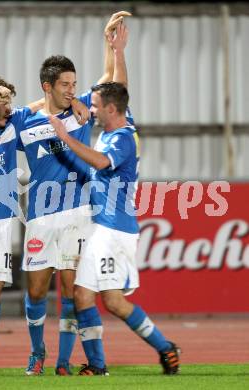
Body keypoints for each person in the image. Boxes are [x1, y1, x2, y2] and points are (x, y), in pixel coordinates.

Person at [48, 22, 181, 376]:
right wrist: (116, 50)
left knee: (97, 299)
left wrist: (64, 138)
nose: (89, 109)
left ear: (109, 109)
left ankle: (110, 361)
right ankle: (160, 350)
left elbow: (100, 162)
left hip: (114, 228)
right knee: (104, 300)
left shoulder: (121, 139)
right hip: (105, 227)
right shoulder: (118, 119)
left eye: (94, 105)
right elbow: (118, 85)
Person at [0, 75, 88, 378]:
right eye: (4, 102)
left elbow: (45, 102)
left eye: (10, 102)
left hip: (0, 225)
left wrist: (74, 99)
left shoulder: (13, 126)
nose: (10, 107)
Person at [18, 11, 131, 376]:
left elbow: (114, 84)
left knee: (71, 291)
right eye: (65, 84)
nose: (72, 90)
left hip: (79, 211)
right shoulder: (25, 119)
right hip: (39, 214)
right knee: (36, 292)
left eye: (75, 83)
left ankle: (63, 362)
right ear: (47, 86)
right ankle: (38, 352)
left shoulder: (82, 110)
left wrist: (111, 46)